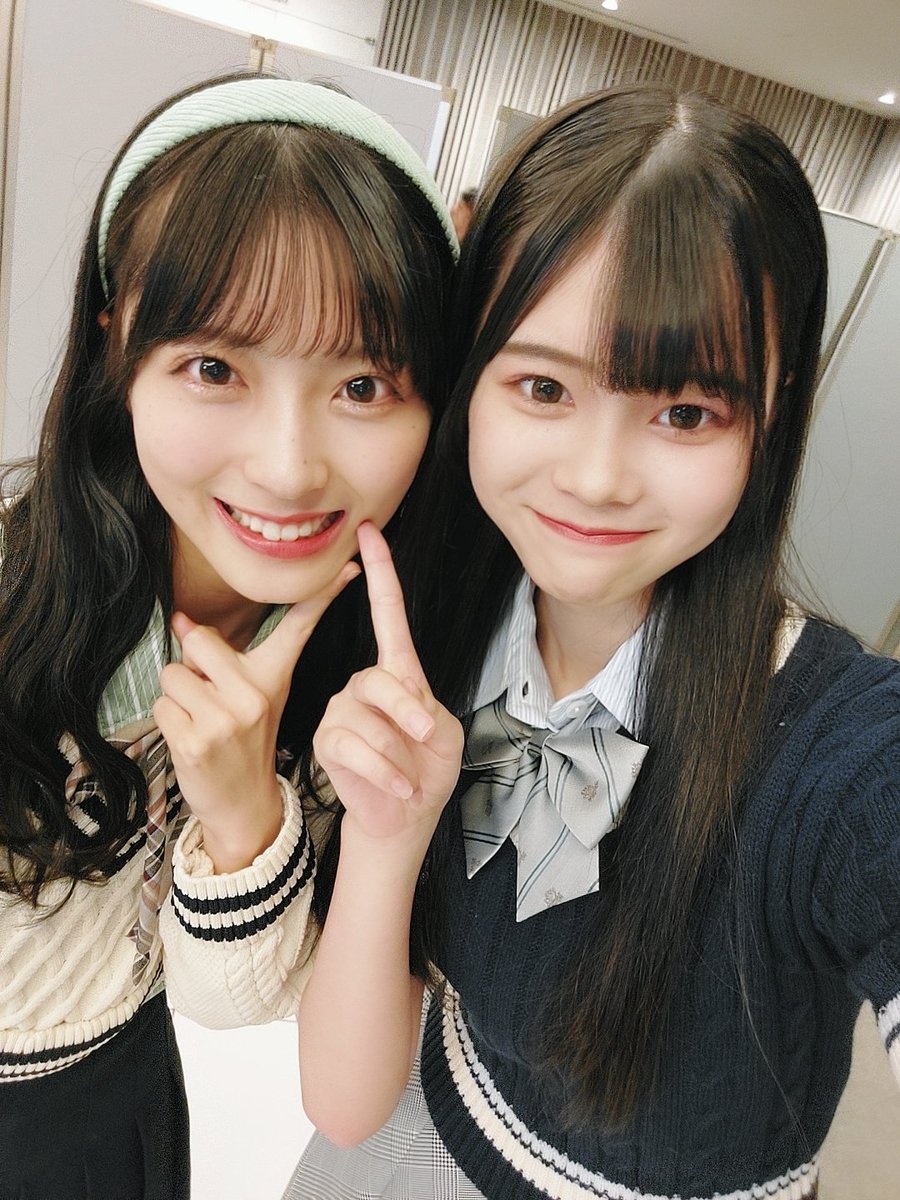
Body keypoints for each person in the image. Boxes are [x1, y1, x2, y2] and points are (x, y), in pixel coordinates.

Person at [286, 84, 900, 1200]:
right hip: (410, 1143)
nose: (598, 477)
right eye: (542, 386)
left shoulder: (835, 751)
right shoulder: (430, 633)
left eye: (685, 412)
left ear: (773, 415)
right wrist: (383, 837)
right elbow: (343, 1100)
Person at [0, 73, 456, 1199]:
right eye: (215, 369)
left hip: (110, 1103)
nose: (289, 467)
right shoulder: (16, 583)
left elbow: (231, 1004)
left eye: (363, 384)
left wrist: (245, 813)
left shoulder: (379, 678)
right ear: (117, 344)